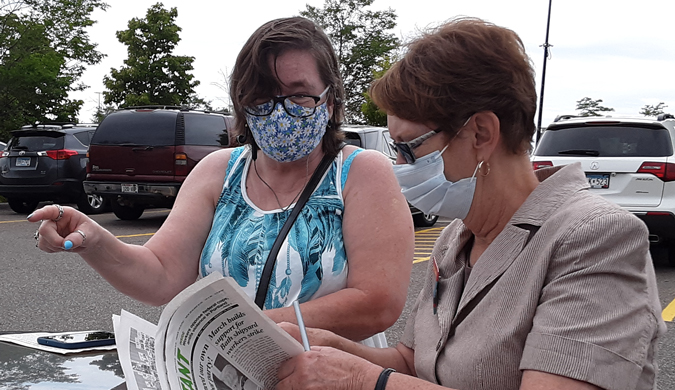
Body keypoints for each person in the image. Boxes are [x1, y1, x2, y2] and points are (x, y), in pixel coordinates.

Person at [271, 18, 666, 390]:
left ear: (481, 133)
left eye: (409, 149)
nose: (398, 167)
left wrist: (360, 382)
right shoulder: (459, 236)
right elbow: (419, 364)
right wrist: (332, 349)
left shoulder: (593, 238)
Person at [27, 17, 413, 345]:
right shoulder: (218, 170)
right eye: (263, 99)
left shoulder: (361, 171)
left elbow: (377, 301)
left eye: (298, 96)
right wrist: (95, 241)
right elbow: (161, 275)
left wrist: (240, 331)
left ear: (330, 101)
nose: (280, 113)